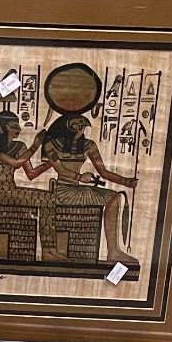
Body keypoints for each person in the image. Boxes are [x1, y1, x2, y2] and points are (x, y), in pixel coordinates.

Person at [39, 112, 139, 268]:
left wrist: (125, 181)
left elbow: (103, 172)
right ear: (68, 126)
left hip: (77, 189)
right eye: (78, 125)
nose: (81, 129)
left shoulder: (89, 145)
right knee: (93, 193)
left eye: (83, 126)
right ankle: (113, 252)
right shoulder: (51, 144)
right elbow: (60, 170)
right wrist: (79, 177)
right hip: (63, 190)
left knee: (115, 197)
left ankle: (113, 251)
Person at [0, 111, 58, 256]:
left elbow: (31, 174)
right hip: (1, 193)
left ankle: (48, 250)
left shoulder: (20, 146)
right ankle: (49, 251)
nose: (19, 129)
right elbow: (16, 163)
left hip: (12, 191)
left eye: (18, 126)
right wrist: (35, 146)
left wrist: (50, 164)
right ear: (4, 127)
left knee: (50, 198)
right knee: (48, 199)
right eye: (14, 126)